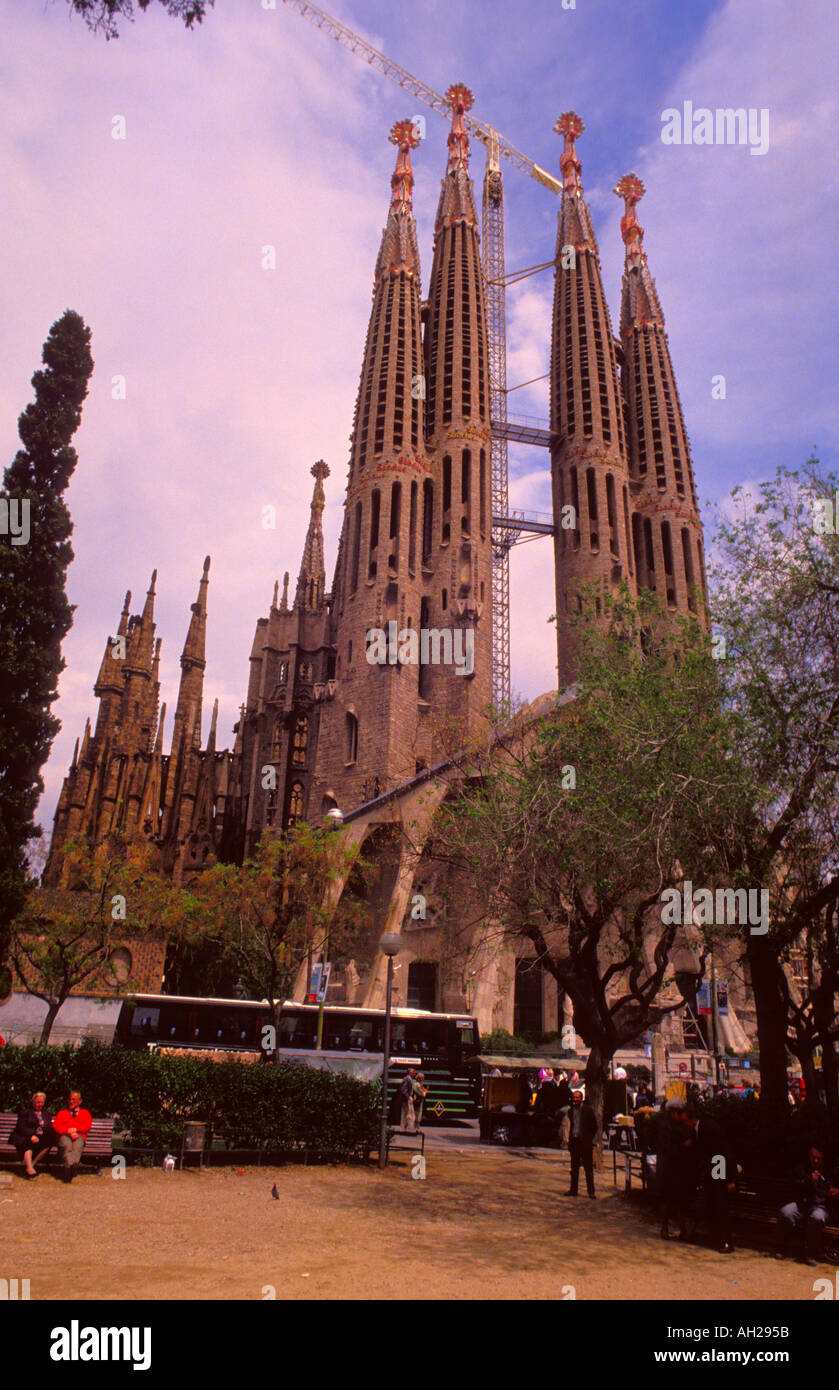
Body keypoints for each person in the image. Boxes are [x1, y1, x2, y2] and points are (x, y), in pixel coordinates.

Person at [679, 1105, 736, 1252]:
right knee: (711, 1203)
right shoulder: (696, 1129)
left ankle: (726, 1241)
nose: (685, 1123)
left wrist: (729, 1178)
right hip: (711, 1167)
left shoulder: (709, 1127)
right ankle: (716, 1238)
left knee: (720, 1203)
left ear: (691, 1119)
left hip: (718, 1163)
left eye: (685, 1120)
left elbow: (724, 1150)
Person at [776, 1147, 839, 1265]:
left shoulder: (831, 1172)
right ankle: (780, 1247)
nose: (815, 1161)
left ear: (823, 1159)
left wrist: (836, 1192)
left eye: (819, 1159)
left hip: (821, 1206)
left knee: (817, 1218)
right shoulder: (802, 1169)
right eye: (813, 1158)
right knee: (786, 1212)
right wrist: (810, 1180)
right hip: (802, 1204)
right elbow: (795, 1184)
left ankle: (810, 1253)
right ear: (809, 1157)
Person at [656, 1099, 696, 1241]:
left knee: (680, 1200)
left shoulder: (683, 1125)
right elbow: (665, 1147)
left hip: (680, 1168)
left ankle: (683, 1229)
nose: (681, 1115)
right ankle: (665, 1227)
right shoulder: (665, 1126)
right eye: (679, 1113)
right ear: (673, 1112)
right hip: (668, 1168)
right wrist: (682, 1145)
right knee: (667, 1199)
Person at [10, 1091, 55, 1178]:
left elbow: (50, 1129)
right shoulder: (25, 1112)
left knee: (49, 1142)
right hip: (24, 1136)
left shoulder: (46, 1114)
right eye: (38, 1102)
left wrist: (44, 1126)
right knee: (29, 1143)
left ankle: (31, 1165)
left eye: (42, 1102)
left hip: (40, 1138)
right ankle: (30, 1168)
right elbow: (21, 1127)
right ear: (33, 1102)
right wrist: (32, 1134)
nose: (40, 1104)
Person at [52, 1090, 93, 1183]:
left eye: (74, 1100)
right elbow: (56, 1126)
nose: (71, 1102)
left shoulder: (85, 1113)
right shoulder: (62, 1113)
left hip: (78, 1136)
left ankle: (70, 1167)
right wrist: (68, 1131)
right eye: (70, 1099)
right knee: (66, 1145)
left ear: (80, 1101)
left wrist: (76, 1130)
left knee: (77, 1147)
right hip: (64, 1135)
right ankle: (69, 1168)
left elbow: (87, 1126)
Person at [565, 1090, 597, 1199]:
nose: (575, 1100)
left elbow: (594, 1126)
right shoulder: (570, 1111)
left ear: (581, 1099)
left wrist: (589, 1138)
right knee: (574, 1168)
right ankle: (573, 1190)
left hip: (585, 1143)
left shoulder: (588, 1111)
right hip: (574, 1142)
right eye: (574, 1097)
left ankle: (591, 1191)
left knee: (588, 1168)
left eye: (577, 1097)